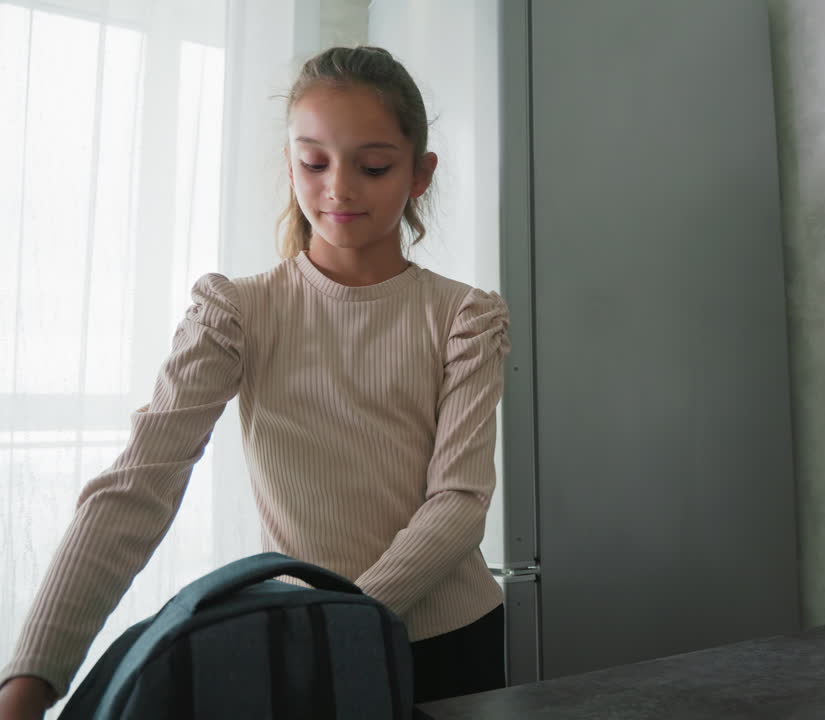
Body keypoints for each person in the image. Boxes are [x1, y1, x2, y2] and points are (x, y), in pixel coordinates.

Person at [0, 46, 510, 718]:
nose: (339, 188)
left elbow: (459, 503)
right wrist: (28, 680)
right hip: (311, 644)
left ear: (420, 175)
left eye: (374, 165)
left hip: (446, 646)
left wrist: (340, 618)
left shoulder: (465, 317)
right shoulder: (236, 313)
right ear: (290, 163)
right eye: (314, 162)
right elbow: (138, 486)